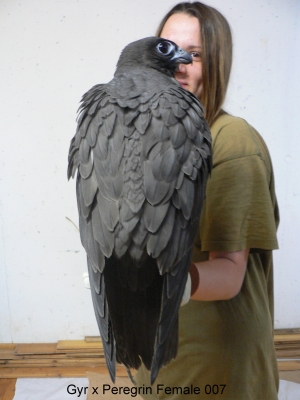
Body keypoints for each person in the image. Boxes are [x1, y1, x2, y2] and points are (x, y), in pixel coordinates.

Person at [134, 2, 280, 399]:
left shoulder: (231, 141)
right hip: (159, 358)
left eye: (194, 54)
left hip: (215, 366)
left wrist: (156, 284)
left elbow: (229, 273)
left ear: (217, 63)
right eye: (167, 49)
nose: (179, 65)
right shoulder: (150, 142)